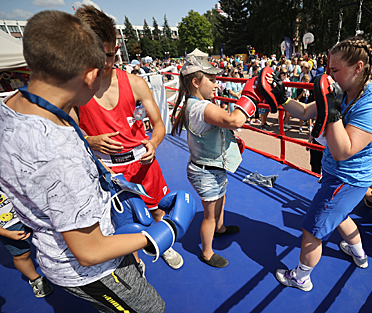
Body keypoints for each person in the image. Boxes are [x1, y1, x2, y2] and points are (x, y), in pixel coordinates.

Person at [0, 10, 167, 312]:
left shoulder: (11, 108)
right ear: (91, 74)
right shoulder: (60, 155)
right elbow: (89, 251)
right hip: (94, 268)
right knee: (152, 310)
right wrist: (159, 234)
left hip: (66, 242)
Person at [267, 37, 372, 292]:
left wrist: (333, 111)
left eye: (335, 70)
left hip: (345, 179)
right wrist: (281, 97)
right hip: (341, 178)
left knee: (312, 230)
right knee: (339, 215)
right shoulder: (346, 92)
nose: (330, 76)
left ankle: (301, 277)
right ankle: (359, 254)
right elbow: (303, 112)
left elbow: (343, 151)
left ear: (358, 68)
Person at [74, 5, 184, 270]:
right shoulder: (75, 89)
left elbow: (159, 125)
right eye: (98, 55)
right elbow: (68, 132)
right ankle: (134, 262)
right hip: (108, 170)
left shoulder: (135, 83)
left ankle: (164, 244)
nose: (106, 63)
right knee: (122, 222)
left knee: (159, 209)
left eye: (111, 54)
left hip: (143, 164)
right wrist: (90, 141)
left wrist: (153, 143)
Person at [171, 56, 247, 268]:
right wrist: (250, 97)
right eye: (212, 80)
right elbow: (235, 120)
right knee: (209, 215)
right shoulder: (200, 108)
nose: (217, 84)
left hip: (212, 167)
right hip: (206, 171)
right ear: (196, 82)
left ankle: (220, 229)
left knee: (221, 200)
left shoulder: (193, 104)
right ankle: (206, 252)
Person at [0, 190, 53, 298]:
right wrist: (6, 233)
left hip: (30, 210)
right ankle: (35, 279)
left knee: (52, 236)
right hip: (8, 225)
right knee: (22, 254)